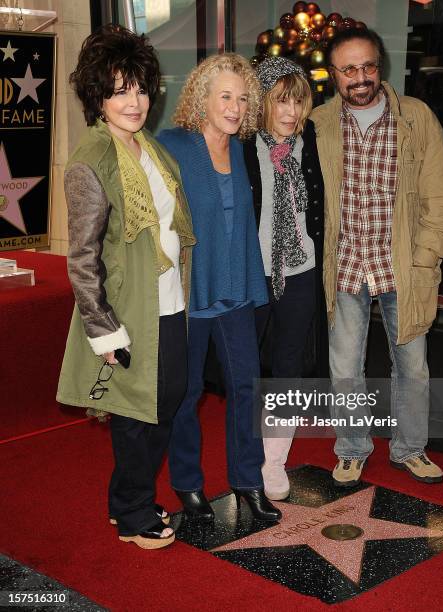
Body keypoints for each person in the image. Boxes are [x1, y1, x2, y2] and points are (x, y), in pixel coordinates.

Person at [56, 25, 195, 549]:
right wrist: (102, 327)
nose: (133, 101)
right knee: (137, 411)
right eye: (119, 90)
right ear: (98, 97)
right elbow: (83, 256)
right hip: (127, 308)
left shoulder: (151, 151)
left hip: (169, 300)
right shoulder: (90, 162)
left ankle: (126, 498)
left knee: (170, 397)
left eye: (139, 87)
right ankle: (134, 512)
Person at [310, 27, 443, 487]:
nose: (361, 77)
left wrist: (425, 259)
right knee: (344, 367)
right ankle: (352, 449)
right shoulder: (316, 124)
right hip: (345, 266)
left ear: (381, 66)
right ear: (333, 74)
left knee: (412, 364)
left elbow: (441, 200)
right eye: (349, 68)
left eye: (368, 65)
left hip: (404, 268)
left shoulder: (416, 117)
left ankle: (410, 448)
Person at [157, 53, 281, 521]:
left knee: (247, 388)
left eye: (242, 98)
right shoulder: (171, 145)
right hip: (190, 292)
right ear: (201, 99)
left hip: (238, 289)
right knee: (186, 394)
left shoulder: (247, 149)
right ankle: (188, 484)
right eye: (225, 96)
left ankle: (248, 482)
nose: (234, 107)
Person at [242, 56, 327, 500]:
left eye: (298, 101)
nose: (292, 112)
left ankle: (274, 461)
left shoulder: (311, 142)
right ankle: (246, 453)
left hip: (301, 271)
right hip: (252, 274)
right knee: (247, 367)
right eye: (281, 101)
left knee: (289, 367)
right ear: (263, 104)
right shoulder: (241, 146)